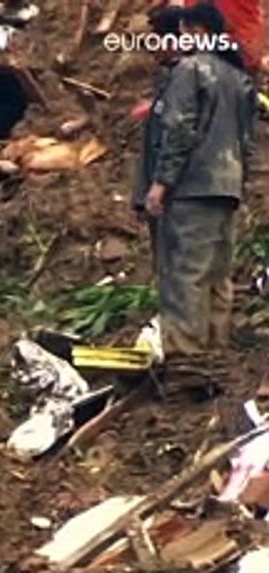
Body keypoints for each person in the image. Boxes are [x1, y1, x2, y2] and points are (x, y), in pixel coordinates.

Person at [133, 2, 256, 358]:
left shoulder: (190, 70)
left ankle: (186, 357)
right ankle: (215, 350)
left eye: (183, 32)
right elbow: (247, 142)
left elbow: (179, 129)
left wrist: (160, 184)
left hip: (192, 189)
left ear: (197, 32)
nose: (177, 39)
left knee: (183, 274)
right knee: (217, 274)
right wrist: (239, 183)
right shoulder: (237, 76)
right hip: (226, 186)